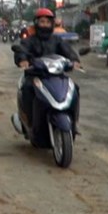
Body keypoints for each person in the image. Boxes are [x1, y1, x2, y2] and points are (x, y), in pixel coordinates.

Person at [12, 8, 82, 137]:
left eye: (48, 22)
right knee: (27, 89)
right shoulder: (30, 40)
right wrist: (23, 60)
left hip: (56, 75)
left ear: (52, 24)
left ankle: (74, 123)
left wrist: (74, 61)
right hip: (35, 75)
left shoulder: (57, 40)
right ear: (36, 23)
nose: (45, 25)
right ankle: (28, 122)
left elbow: (68, 51)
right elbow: (22, 50)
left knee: (74, 89)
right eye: (42, 22)